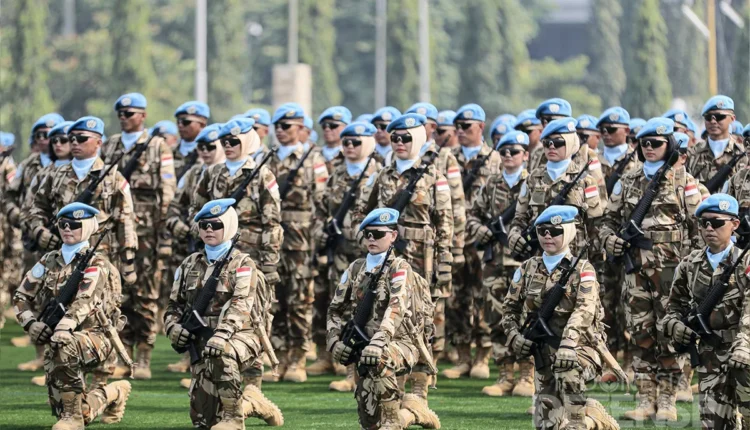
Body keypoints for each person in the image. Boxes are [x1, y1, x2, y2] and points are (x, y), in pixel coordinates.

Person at [599, 117, 703, 422]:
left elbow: (699, 228)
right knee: (640, 334)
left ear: (669, 145)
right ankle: (646, 399)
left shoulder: (684, 181)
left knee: (669, 333)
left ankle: (668, 400)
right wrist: (610, 240)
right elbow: (607, 221)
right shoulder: (628, 180)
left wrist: (694, 271)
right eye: (644, 143)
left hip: (672, 273)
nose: (649, 148)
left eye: (656, 143)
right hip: (636, 271)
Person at [352, 112, 451, 428]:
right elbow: (362, 212)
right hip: (388, 258)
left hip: (422, 258)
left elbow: (446, 222)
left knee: (421, 320)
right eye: (394, 138)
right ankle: (391, 385)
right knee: (386, 315)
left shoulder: (433, 175)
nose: (399, 143)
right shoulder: (381, 175)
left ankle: (419, 390)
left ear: (418, 139)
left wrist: (445, 263)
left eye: (406, 138)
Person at [28, 116, 139, 387]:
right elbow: (36, 208)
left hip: (102, 257)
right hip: (62, 257)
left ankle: (103, 380)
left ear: (98, 142)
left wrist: (128, 261)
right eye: (71, 139)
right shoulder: (55, 174)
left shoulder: (113, 177)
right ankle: (59, 368)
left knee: (100, 314)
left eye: (81, 139)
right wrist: (40, 232)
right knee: (57, 307)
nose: (73, 143)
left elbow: (126, 220)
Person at [165, 198, 283, 429]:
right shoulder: (189, 264)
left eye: (216, 225)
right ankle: (252, 403)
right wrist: (173, 327)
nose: (209, 229)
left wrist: (223, 333)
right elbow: (173, 306)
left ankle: (234, 419)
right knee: (203, 421)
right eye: (204, 225)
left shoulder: (243, 264)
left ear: (228, 227)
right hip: (204, 341)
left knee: (223, 353)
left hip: (241, 336)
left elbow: (241, 305)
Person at [13, 202, 132, 430]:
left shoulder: (97, 263)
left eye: (75, 225)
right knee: (78, 407)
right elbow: (21, 296)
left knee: (63, 347)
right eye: (63, 224)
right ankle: (113, 393)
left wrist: (64, 326)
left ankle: (72, 419)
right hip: (60, 340)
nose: (68, 228)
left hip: (96, 337)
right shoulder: (48, 260)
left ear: (88, 227)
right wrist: (31, 323)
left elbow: (84, 300)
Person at [502, 205, 619, 430]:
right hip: (543, 354)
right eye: (542, 231)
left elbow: (584, 310)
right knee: (547, 426)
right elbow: (509, 310)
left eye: (555, 231)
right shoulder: (527, 268)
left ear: (569, 233)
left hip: (580, 349)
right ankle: (592, 417)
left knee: (568, 369)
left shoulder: (583, 269)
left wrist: (568, 343)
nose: (548, 236)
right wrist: (515, 336)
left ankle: (582, 422)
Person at [327, 208, 435, 430]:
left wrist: (379, 341)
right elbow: (334, 310)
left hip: (400, 344)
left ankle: (394, 421)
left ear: (393, 236)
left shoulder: (400, 268)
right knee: (369, 423)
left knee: (381, 358)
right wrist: (334, 341)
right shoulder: (355, 268)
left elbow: (396, 308)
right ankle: (413, 413)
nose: (371, 239)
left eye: (378, 234)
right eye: (367, 234)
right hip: (365, 348)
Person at [104, 92, 177, 379]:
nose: (124, 118)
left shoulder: (158, 146)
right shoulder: (110, 145)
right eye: (121, 114)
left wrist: (164, 233)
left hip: (147, 233)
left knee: (146, 294)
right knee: (117, 294)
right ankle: (123, 354)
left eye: (129, 113)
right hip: (115, 232)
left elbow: (167, 192)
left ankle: (144, 356)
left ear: (143, 116)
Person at [663, 194, 750, 429]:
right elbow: (672, 308)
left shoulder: (745, 261)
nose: (710, 228)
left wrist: (744, 345)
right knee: (713, 425)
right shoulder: (688, 265)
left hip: (744, 352)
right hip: (709, 356)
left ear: (735, 224)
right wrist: (676, 326)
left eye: (717, 222)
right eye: (704, 223)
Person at [309, 122, 382, 388]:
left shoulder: (380, 173)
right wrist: (321, 232)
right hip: (340, 252)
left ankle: (366, 368)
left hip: (369, 254)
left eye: (355, 142)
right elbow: (320, 209)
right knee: (340, 305)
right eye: (346, 142)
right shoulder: (336, 173)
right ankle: (346, 368)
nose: (349, 146)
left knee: (369, 309)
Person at [466, 130, 533, 396]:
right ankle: (505, 375)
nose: (508, 156)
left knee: (526, 317)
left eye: (514, 151)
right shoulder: (491, 184)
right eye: (503, 152)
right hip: (494, 261)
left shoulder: (533, 183)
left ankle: (527, 375)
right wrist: (480, 230)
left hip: (524, 262)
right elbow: (472, 215)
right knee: (496, 318)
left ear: (525, 155)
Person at [265, 103, 328, 383]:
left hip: (302, 242)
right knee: (274, 301)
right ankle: (277, 358)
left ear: (300, 128)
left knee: (300, 301)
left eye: (286, 126)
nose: (280, 131)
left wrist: (317, 241)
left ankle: (298, 359)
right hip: (272, 240)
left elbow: (321, 203)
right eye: (277, 126)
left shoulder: (312, 160)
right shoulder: (266, 158)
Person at [163, 123, 226, 380]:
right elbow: (173, 209)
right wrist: (183, 227)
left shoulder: (229, 173)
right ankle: (192, 357)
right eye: (201, 147)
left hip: (225, 251)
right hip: (197, 250)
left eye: (211, 146)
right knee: (192, 302)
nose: (205, 151)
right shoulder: (192, 175)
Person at [443, 103, 497, 381]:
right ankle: (462, 355)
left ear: (481, 127)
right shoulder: (446, 158)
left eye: (466, 126)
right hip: (454, 238)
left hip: (481, 240)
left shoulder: (495, 159)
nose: (461, 131)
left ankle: (482, 356)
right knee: (455, 298)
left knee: (483, 296)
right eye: (458, 127)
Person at [595, 107, 640, 381]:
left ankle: (632, 360)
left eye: (612, 130)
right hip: (601, 243)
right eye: (603, 130)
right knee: (605, 303)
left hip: (630, 246)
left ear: (626, 131)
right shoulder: (592, 162)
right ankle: (609, 361)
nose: (606, 134)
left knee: (631, 303)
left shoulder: (638, 163)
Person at [687, 96, 747, 187]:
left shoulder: (743, 154)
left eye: (719, 117)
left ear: (732, 118)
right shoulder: (692, 154)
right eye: (708, 117)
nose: (713, 121)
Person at [318, 106, 352, 173]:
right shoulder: (315, 155)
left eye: (333, 125)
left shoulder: (351, 155)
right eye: (324, 126)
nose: (327, 129)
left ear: (346, 128)